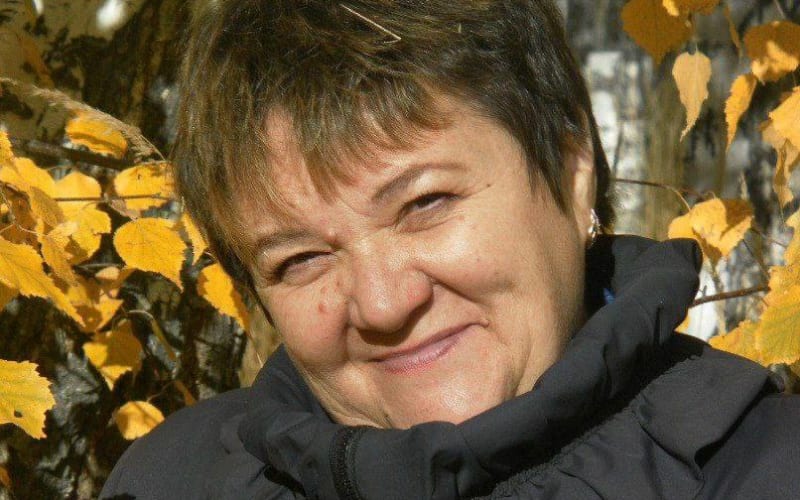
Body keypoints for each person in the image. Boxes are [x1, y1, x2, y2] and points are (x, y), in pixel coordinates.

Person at [101, 1, 800, 498]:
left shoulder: (770, 469)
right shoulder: (168, 482)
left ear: (571, 169)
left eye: (423, 204)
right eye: (301, 259)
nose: (382, 304)